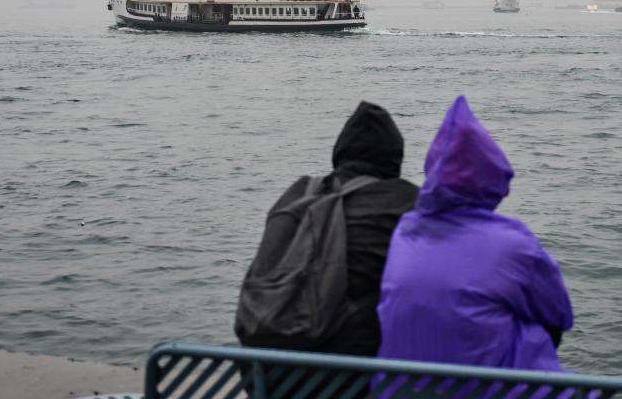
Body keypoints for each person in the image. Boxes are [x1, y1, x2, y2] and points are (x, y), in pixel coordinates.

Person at [377, 95, 574, 370]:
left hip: (399, 388)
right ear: (492, 173)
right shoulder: (513, 243)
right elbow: (560, 316)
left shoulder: (405, 232)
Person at [236, 101, 418, 356]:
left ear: (340, 151)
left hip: (265, 372)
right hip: (346, 377)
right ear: (394, 157)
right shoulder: (406, 203)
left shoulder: (297, 194)